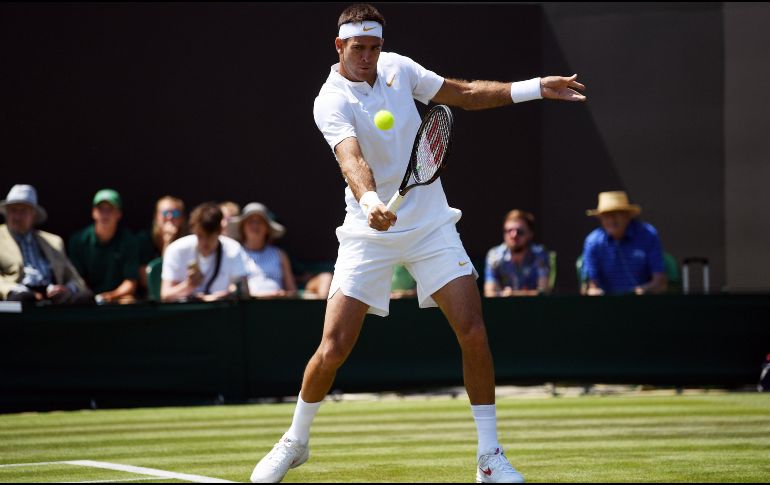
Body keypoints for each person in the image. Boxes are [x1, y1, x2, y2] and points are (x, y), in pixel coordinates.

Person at [249, 4, 585, 483]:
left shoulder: (399, 69)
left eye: (374, 46)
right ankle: (295, 441)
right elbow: (351, 158)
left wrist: (535, 88)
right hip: (368, 231)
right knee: (334, 346)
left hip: (430, 225)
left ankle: (489, 458)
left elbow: (464, 94)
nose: (367, 56)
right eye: (358, 47)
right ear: (339, 46)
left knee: (473, 330)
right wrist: (369, 203)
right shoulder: (330, 100)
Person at [0, 184, 92, 304]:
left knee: (85, 299)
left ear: (34, 215)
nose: (17, 216)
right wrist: (16, 291)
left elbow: (75, 278)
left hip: (52, 297)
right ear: (6, 212)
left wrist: (68, 289)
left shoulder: (53, 242)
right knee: (23, 299)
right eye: (13, 210)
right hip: (17, 297)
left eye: (23, 211)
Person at [580, 191, 667, 296]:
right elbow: (590, 286)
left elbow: (660, 282)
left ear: (627, 216)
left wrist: (644, 291)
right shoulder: (592, 242)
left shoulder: (648, 235)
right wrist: (594, 293)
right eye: (606, 215)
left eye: (616, 214)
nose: (611, 220)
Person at [161, 202, 250, 302]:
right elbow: (165, 295)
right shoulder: (176, 250)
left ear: (220, 231)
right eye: (200, 236)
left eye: (209, 236)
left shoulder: (233, 249)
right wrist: (189, 285)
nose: (204, 242)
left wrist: (225, 295)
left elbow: (244, 290)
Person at [68, 189, 139, 304]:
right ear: (93, 212)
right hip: (86, 298)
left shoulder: (129, 240)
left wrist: (109, 296)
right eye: (101, 209)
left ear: (119, 214)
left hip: (117, 298)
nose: (105, 214)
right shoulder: (78, 240)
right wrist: (90, 297)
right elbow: (77, 279)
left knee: (129, 301)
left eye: (110, 209)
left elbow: (130, 282)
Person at [229, 202, 298, 298]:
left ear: (267, 228)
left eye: (260, 221)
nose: (255, 225)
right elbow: (232, 289)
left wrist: (283, 295)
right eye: (250, 221)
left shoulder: (280, 255)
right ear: (242, 227)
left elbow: (292, 290)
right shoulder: (235, 253)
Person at [484, 210, 551, 297]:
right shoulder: (494, 255)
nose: (514, 235)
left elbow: (544, 292)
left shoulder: (540, 254)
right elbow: (489, 293)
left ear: (530, 234)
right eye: (509, 231)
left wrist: (512, 294)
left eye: (520, 231)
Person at [136, 195, 189, 294]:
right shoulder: (144, 239)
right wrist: (167, 243)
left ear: (182, 219)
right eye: (165, 213)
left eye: (175, 213)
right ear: (156, 217)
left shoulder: (188, 241)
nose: (170, 217)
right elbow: (149, 282)